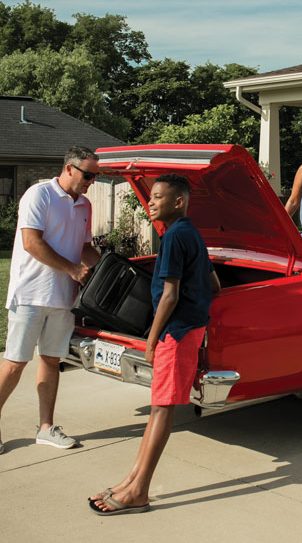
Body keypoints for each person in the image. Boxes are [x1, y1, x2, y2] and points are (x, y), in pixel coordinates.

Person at [89, 173, 221, 516]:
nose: (151, 202)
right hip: (186, 330)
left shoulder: (175, 237)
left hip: (175, 334)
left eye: (158, 197)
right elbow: (215, 284)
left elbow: (170, 294)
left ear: (178, 202)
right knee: (157, 409)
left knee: (162, 410)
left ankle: (139, 491)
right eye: (151, 197)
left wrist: (151, 339)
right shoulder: (189, 233)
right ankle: (130, 481)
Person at [0, 146, 101, 455]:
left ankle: (46, 428)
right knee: (16, 362)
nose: (92, 182)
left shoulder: (84, 205)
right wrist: (71, 268)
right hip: (30, 293)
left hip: (64, 297)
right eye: (88, 175)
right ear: (69, 169)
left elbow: (84, 248)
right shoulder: (38, 195)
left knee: (51, 361)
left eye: (96, 176)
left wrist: (105, 260)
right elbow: (32, 243)